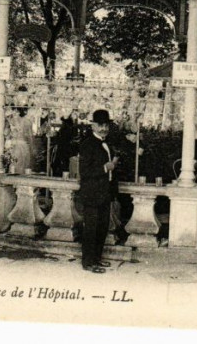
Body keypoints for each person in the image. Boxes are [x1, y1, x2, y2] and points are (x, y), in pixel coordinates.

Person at [78, 109, 118, 273]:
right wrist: (105, 167)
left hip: (105, 193)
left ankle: (97, 259)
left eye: (106, 125)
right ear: (93, 126)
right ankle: (88, 262)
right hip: (92, 193)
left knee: (102, 228)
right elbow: (84, 172)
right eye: (100, 125)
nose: (104, 128)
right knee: (91, 229)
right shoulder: (87, 144)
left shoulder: (107, 143)